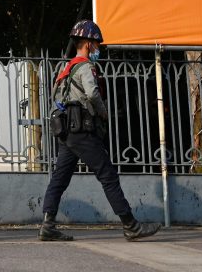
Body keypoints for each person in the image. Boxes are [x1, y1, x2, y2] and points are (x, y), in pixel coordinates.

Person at [39, 20, 161, 242]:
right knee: (108, 175)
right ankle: (130, 225)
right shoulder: (85, 66)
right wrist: (103, 112)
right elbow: (93, 93)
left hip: (65, 131)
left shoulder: (64, 69)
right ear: (87, 44)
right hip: (81, 131)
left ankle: (48, 225)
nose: (98, 49)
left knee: (59, 178)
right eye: (96, 44)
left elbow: (55, 99)